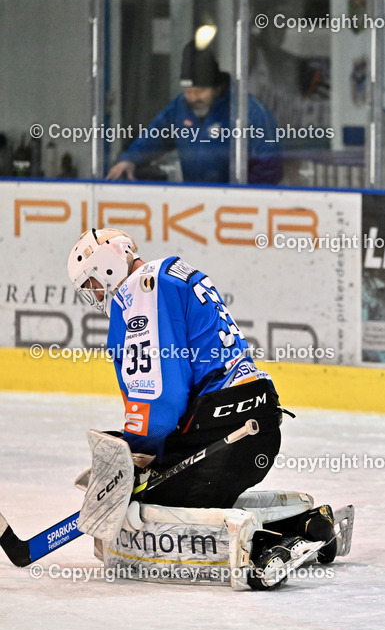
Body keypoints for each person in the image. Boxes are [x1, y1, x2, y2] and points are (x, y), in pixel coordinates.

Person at [66, 228, 341, 585]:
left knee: (157, 499)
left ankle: (264, 545)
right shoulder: (171, 274)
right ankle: (305, 524)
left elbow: (159, 396)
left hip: (225, 428)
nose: (95, 295)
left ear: (105, 266)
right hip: (256, 420)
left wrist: (139, 455)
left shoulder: (141, 292)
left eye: (91, 284)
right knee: (187, 490)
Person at [107, 42, 283, 184]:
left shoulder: (248, 111)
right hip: (196, 202)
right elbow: (155, 137)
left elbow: (269, 164)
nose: (191, 97)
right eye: (187, 90)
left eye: (199, 91)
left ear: (218, 87)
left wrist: (242, 199)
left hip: (237, 207)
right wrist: (129, 159)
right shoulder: (180, 107)